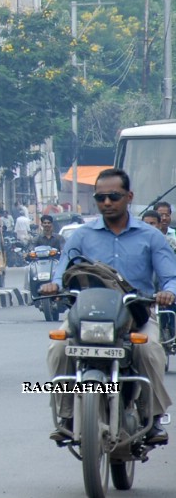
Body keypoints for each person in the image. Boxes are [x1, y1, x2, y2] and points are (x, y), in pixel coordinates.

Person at [40, 168, 176, 444]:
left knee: (149, 350)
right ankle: (66, 417)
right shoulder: (81, 236)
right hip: (87, 316)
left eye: (113, 196)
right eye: (100, 197)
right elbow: (63, 270)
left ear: (129, 197)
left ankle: (153, 419)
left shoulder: (151, 237)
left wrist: (168, 293)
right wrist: (54, 285)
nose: (107, 203)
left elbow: (170, 277)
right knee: (57, 347)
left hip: (134, 315)